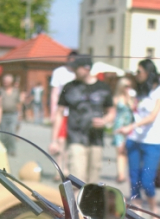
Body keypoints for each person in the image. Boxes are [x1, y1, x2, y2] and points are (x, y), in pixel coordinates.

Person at [49, 55, 114, 184]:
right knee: (77, 179)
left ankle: (86, 204)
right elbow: (59, 113)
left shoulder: (103, 88)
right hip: (75, 138)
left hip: (96, 140)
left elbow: (111, 112)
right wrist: (54, 140)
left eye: (75, 68)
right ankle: (75, 204)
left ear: (86, 69)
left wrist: (105, 121)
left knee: (93, 180)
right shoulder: (69, 87)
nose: (72, 71)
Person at [116, 59, 160, 212]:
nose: (136, 75)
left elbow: (152, 117)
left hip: (152, 140)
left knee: (147, 180)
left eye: (139, 72)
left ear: (148, 72)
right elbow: (133, 112)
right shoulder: (138, 91)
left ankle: (154, 210)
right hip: (134, 139)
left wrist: (131, 127)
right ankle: (136, 216)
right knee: (134, 180)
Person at [50, 51, 78, 178]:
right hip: (61, 112)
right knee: (60, 141)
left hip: (74, 113)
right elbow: (54, 93)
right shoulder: (59, 72)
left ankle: (66, 168)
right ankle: (59, 168)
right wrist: (53, 112)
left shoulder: (78, 73)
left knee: (69, 143)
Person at [112, 77, 135, 183]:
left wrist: (129, 97)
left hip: (129, 125)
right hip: (119, 125)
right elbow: (113, 110)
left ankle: (123, 172)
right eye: (126, 86)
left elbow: (134, 107)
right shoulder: (116, 97)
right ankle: (120, 173)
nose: (127, 88)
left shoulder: (131, 97)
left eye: (129, 86)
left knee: (125, 150)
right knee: (119, 150)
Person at [0, 74, 21, 155]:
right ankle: (3, 149)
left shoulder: (16, 91)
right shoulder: (0, 91)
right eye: (4, 81)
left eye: (7, 81)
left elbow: (19, 104)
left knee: (12, 131)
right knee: (3, 133)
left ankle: (12, 150)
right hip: (3, 114)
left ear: (11, 82)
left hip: (13, 114)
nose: (5, 82)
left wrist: (19, 115)